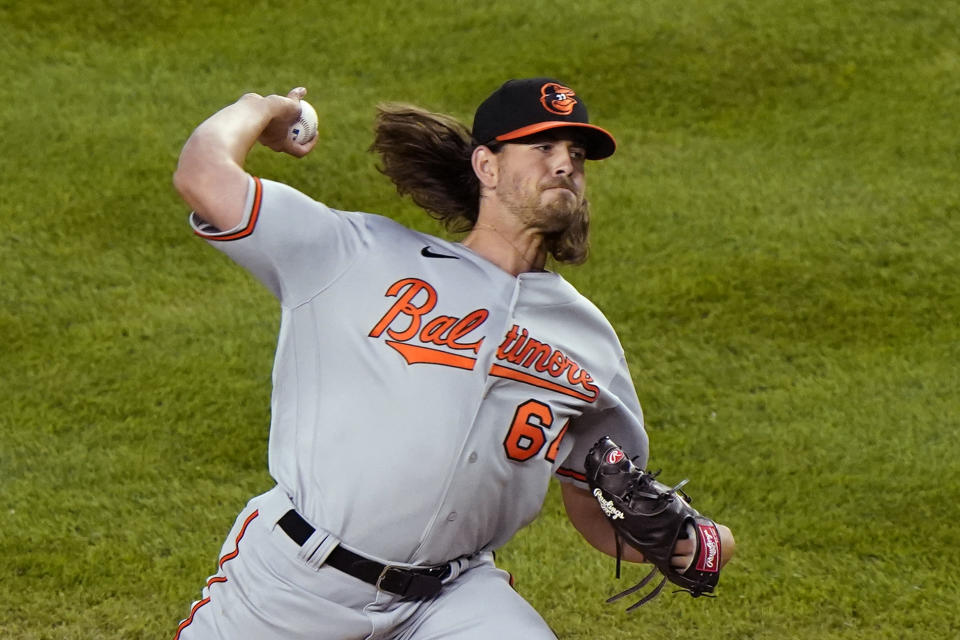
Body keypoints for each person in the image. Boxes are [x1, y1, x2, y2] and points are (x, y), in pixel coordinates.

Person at [171, 78, 734, 639]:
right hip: (294, 583)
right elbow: (202, 175)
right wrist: (260, 109)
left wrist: (701, 543)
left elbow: (601, 508)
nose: (565, 165)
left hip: (450, 600)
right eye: (542, 148)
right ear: (486, 166)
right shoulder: (357, 253)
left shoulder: (588, 338)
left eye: (577, 156)